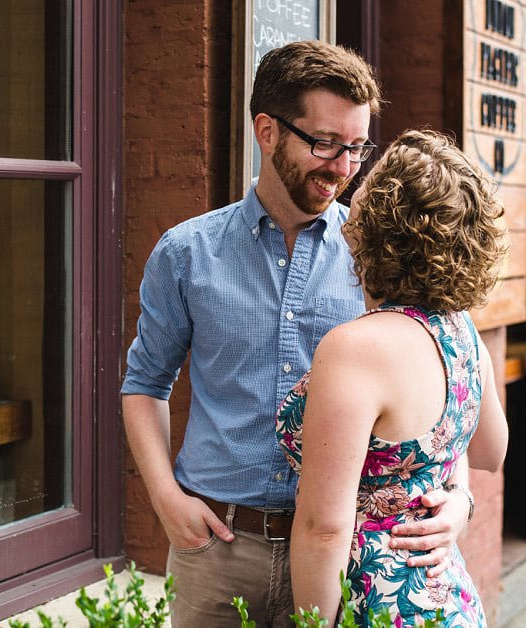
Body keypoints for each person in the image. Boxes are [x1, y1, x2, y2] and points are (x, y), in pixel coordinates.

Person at [121, 41, 473, 626]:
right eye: (326, 143)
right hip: (217, 548)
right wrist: (164, 498)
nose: (344, 166)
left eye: (357, 146)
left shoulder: (379, 256)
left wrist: (458, 494)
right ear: (267, 131)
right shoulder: (186, 253)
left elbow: (441, 380)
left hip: (349, 559)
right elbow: (144, 383)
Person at [276, 129, 508, 625]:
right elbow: (491, 449)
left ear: (381, 224)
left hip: (376, 606)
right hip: (447, 599)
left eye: (368, 184)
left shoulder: (355, 349)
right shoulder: (460, 330)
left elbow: (323, 527)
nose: (354, 182)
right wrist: (456, 495)